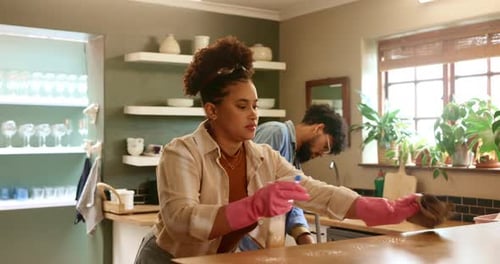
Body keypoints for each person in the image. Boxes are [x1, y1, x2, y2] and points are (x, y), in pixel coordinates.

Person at [134, 36, 423, 264]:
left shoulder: (263, 157)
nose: (254, 115)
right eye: (242, 106)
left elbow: (315, 192)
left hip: (216, 260)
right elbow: (181, 220)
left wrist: (385, 209)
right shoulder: (182, 153)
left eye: (255, 106)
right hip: (167, 259)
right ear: (212, 110)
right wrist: (253, 206)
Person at [239, 104, 345, 250]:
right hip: (242, 245)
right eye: (325, 147)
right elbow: (248, 183)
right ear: (318, 129)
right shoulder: (277, 133)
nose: (322, 154)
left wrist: (304, 237)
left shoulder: (294, 159)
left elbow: (292, 203)